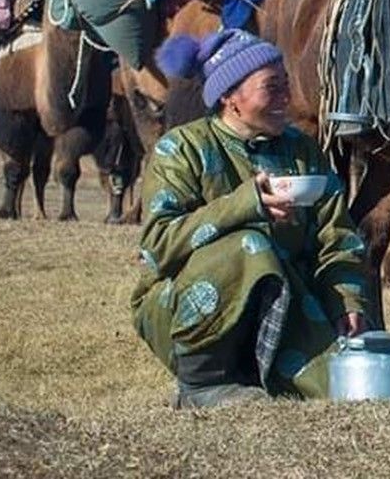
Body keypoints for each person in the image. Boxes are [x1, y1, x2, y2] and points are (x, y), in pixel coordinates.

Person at [130, 29, 369, 408]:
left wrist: (347, 300)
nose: (286, 98)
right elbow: (158, 246)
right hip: (185, 307)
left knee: (350, 390)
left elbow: (339, 238)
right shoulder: (180, 149)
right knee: (250, 244)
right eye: (271, 87)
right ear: (229, 97)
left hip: (291, 298)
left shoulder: (302, 150)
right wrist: (244, 205)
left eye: (286, 85)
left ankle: (259, 372)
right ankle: (203, 384)